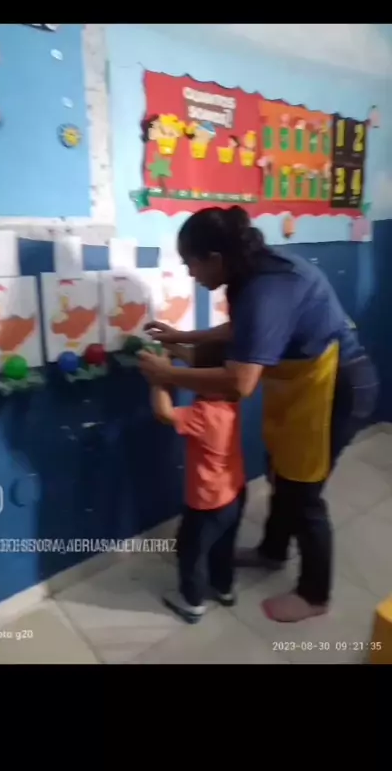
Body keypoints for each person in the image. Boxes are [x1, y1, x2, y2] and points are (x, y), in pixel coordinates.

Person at [139, 206, 378, 623]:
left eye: (191, 263)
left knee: (303, 492)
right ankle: (272, 551)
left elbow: (240, 382)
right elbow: (242, 330)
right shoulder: (248, 273)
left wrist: (166, 374)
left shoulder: (267, 287)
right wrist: (183, 336)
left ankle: (315, 594)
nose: (190, 273)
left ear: (215, 258)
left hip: (339, 384)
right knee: (282, 472)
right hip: (304, 384)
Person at [149, 341, 246, 624]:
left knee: (191, 551)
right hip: (235, 492)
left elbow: (164, 413)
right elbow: (205, 366)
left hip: (208, 501)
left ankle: (192, 602)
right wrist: (172, 349)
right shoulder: (233, 399)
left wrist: (158, 379)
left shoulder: (204, 414)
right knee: (223, 546)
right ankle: (224, 588)